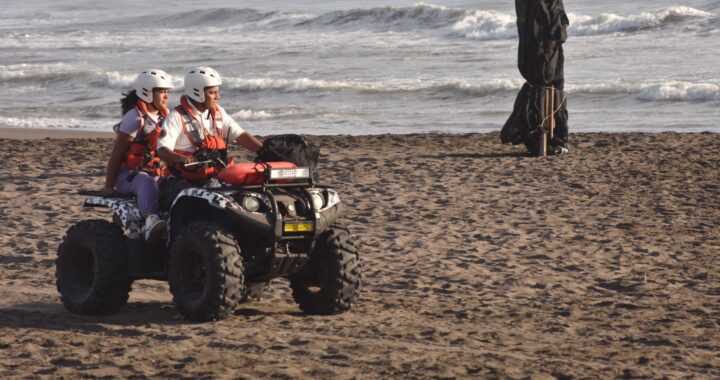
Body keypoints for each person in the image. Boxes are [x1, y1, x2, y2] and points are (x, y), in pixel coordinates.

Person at [157, 67, 262, 193]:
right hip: (183, 181)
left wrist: (264, 150)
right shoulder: (175, 117)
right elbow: (162, 150)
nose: (217, 96)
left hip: (214, 177)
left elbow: (241, 136)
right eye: (212, 93)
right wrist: (182, 158)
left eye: (217, 92)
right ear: (197, 93)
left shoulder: (218, 112)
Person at [102, 69, 173, 242]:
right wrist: (109, 186)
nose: (165, 96)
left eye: (167, 92)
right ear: (147, 93)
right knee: (146, 182)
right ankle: (150, 220)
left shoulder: (167, 116)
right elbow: (117, 154)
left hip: (157, 172)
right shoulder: (134, 118)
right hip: (128, 175)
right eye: (161, 91)